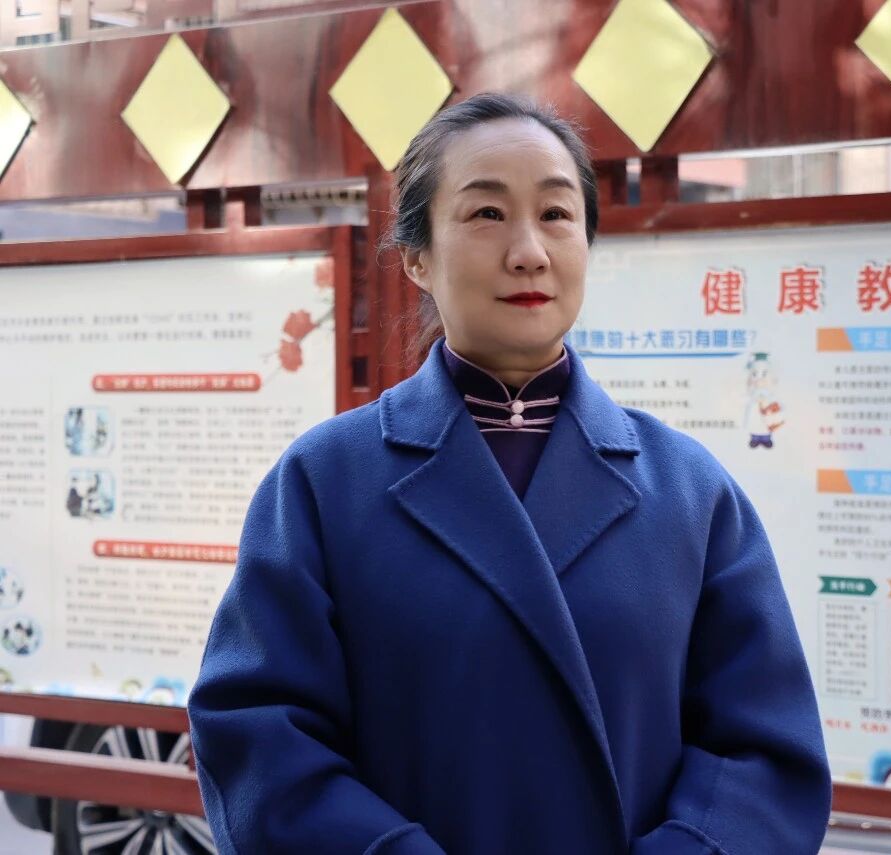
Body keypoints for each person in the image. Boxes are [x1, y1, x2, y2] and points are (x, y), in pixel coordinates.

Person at [188, 92, 831, 854]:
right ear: (417, 256)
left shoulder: (691, 493)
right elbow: (260, 740)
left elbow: (766, 755)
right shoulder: (323, 484)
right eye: (487, 214)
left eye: (556, 214)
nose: (529, 250)